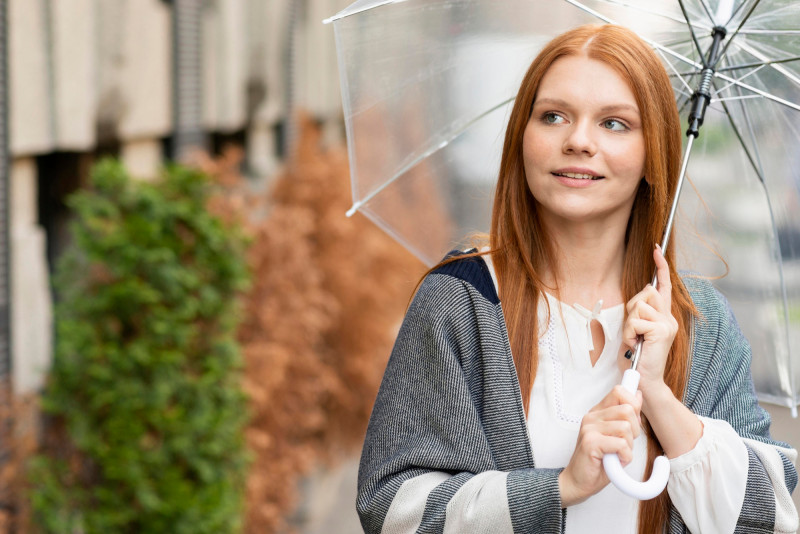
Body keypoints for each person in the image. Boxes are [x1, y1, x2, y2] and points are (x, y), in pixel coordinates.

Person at [355, 24, 798, 534]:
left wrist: (658, 394)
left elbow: (770, 516)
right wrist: (558, 488)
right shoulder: (463, 302)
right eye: (553, 116)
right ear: (523, 137)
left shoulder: (701, 322)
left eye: (614, 123)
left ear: (652, 156)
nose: (579, 141)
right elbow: (389, 507)